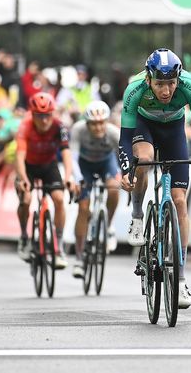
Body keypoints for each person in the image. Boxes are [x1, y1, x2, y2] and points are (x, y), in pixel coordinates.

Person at [119, 48, 191, 309]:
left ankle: (181, 279)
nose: (166, 91)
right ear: (149, 79)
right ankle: (138, 216)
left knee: (179, 201)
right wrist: (126, 168)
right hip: (144, 126)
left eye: (171, 84)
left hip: (174, 130)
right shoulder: (134, 89)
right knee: (146, 160)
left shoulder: (190, 87)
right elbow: (125, 140)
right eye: (160, 84)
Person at [14, 92, 78, 269]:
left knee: (59, 198)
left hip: (49, 166)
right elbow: (19, 156)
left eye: (47, 115)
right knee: (26, 199)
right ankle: (24, 237)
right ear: (32, 115)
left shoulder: (59, 126)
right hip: (28, 166)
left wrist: (68, 177)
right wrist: (23, 178)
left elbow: (66, 153)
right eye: (39, 116)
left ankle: (58, 245)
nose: (44, 121)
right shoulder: (25, 127)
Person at [69, 101, 120, 278]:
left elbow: (124, 156)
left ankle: (109, 226)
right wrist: (78, 179)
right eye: (94, 124)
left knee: (114, 188)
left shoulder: (114, 132)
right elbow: (73, 158)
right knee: (83, 208)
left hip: (107, 163)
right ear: (87, 123)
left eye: (101, 123)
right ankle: (78, 258)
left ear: (106, 122)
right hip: (84, 166)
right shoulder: (78, 130)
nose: (98, 127)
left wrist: (123, 175)